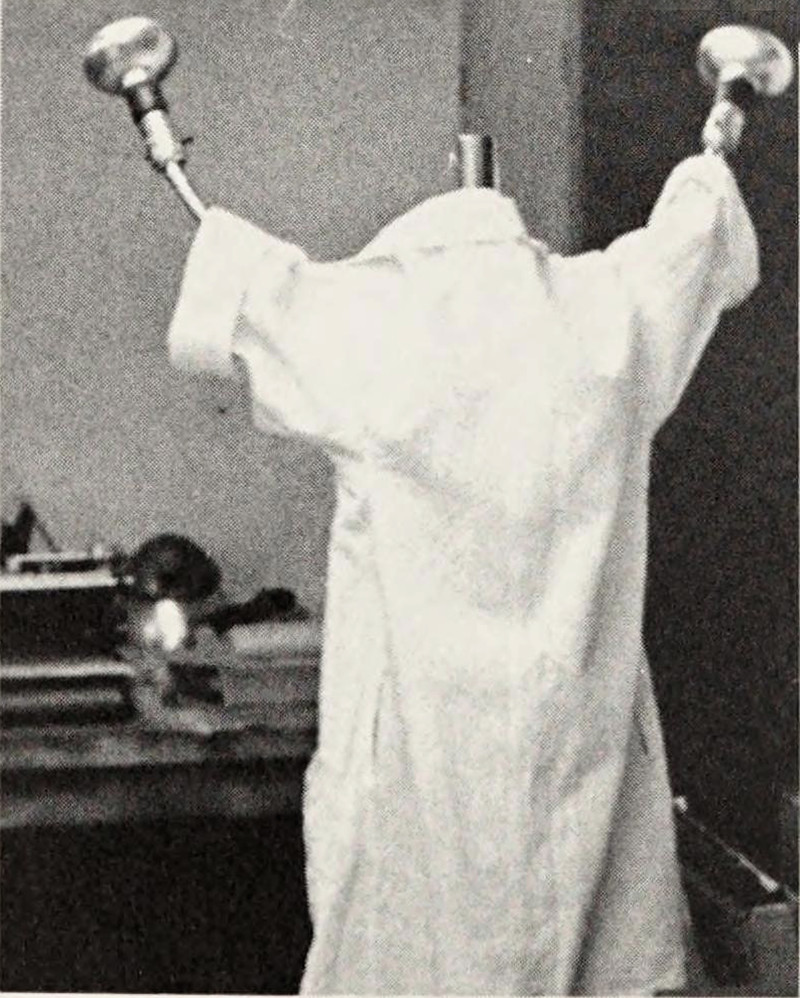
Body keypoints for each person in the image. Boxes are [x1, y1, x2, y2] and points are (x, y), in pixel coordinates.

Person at [167, 113, 758, 992]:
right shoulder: (609, 311)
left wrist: (160, 137)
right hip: (581, 762)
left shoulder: (370, 325)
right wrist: (718, 138)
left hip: (418, 780)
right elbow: (692, 244)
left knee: (411, 951)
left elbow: (243, 282)